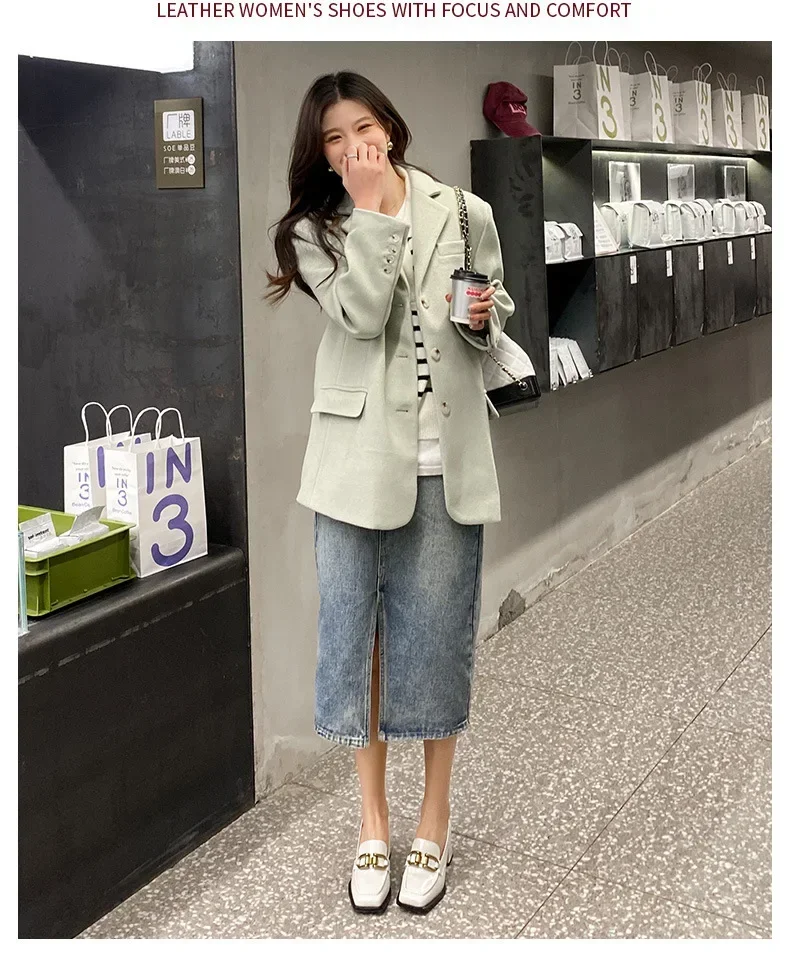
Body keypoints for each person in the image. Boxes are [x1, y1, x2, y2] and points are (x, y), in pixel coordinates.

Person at [266, 71, 515, 915]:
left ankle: (432, 821)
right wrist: (371, 210)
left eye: (361, 129)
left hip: (447, 460)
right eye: (332, 139)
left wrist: (482, 317)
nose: (351, 148)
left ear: (390, 127)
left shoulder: (463, 209)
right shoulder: (317, 231)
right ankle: (372, 824)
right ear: (320, 153)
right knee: (360, 645)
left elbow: (494, 306)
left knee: (437, 642)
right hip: (352, 469)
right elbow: (365, 314)